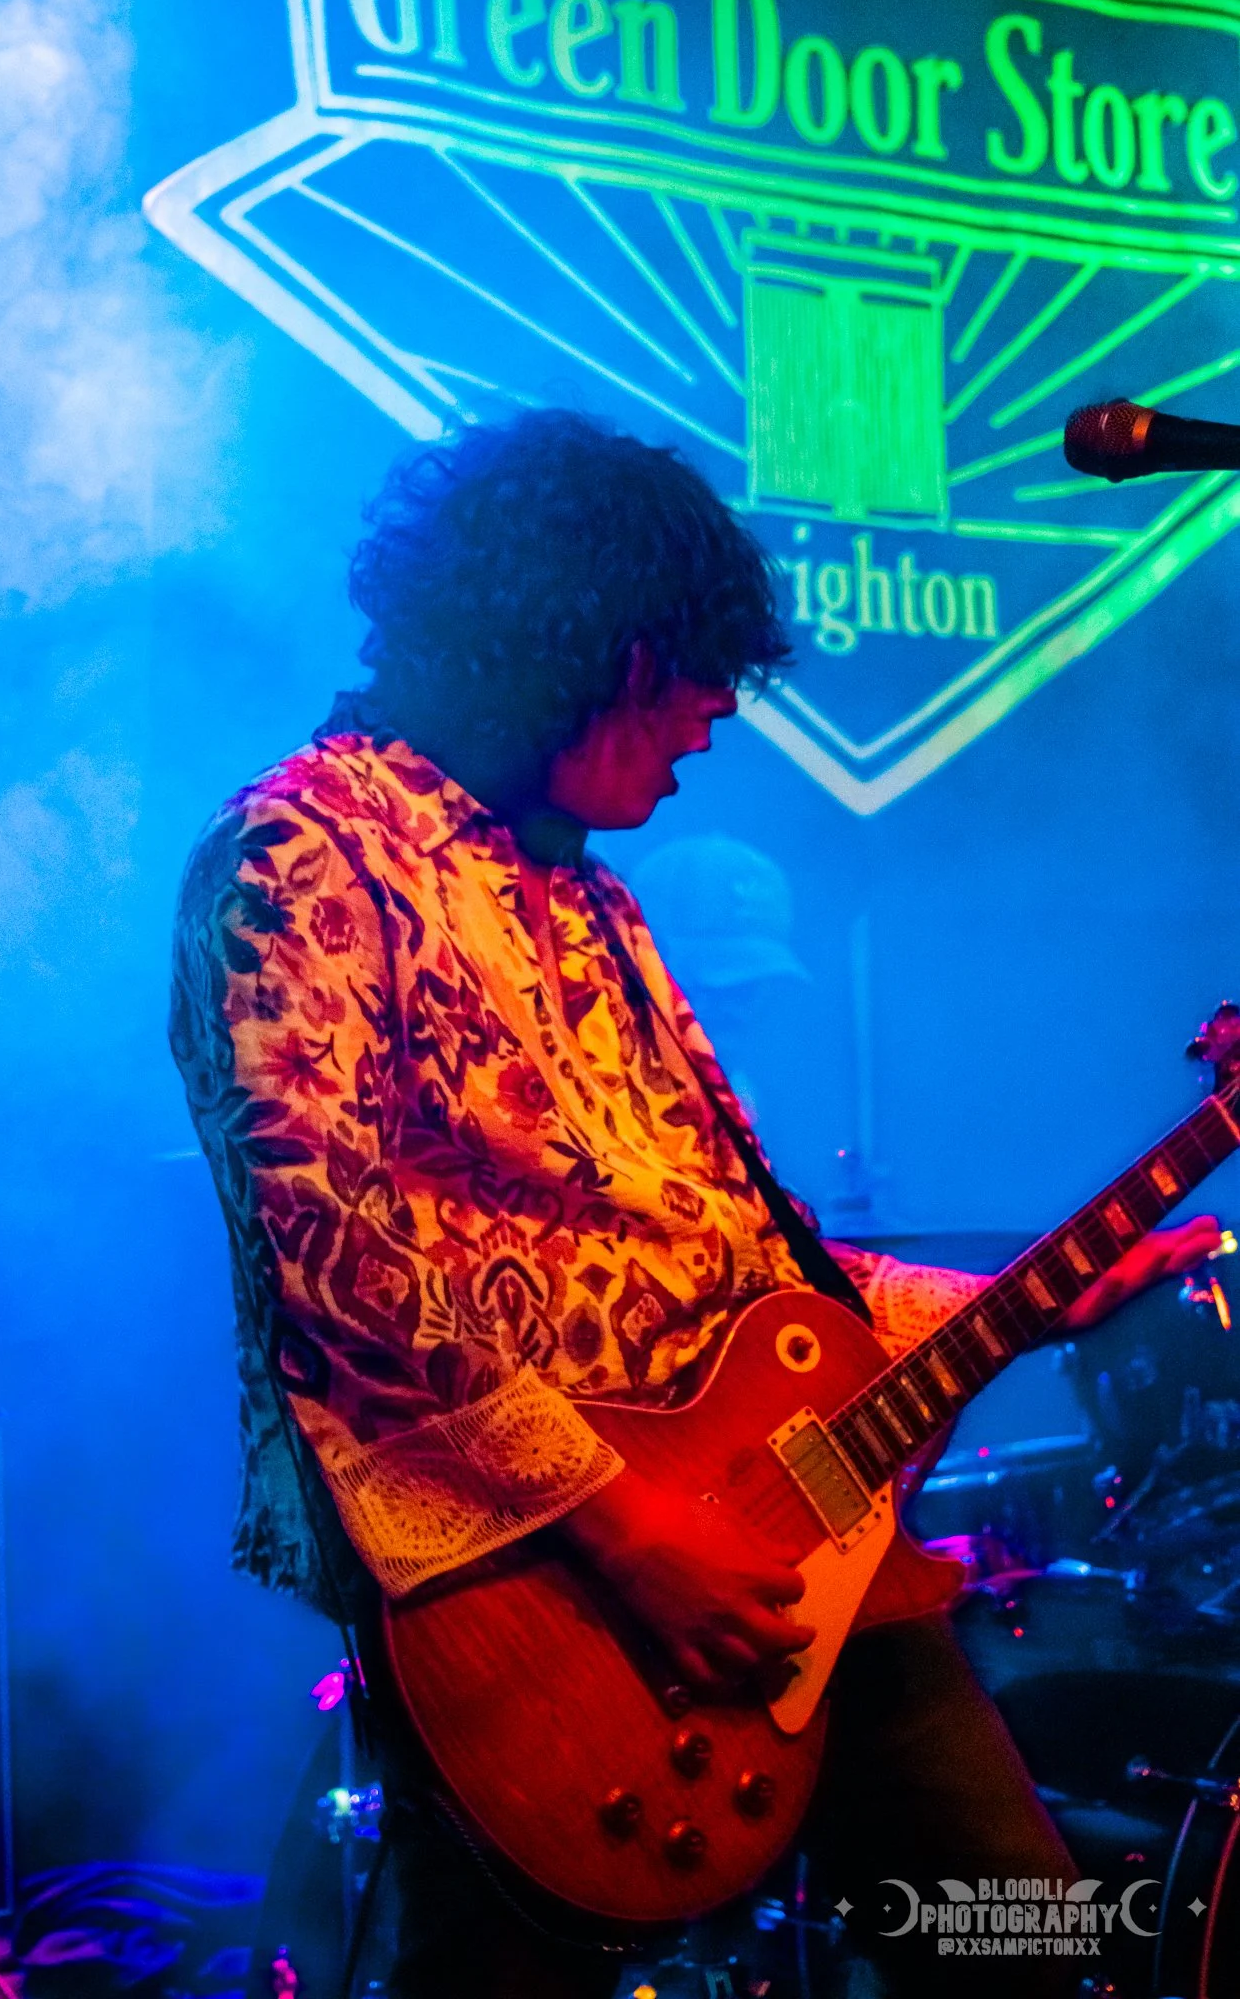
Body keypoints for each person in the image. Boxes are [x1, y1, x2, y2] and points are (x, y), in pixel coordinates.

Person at [169, 412, 1218, 1998]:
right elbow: (334, 1251)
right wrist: (630, 1532)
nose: (717, 718)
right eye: (693, 676)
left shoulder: (584, 891)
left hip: (792, 1537)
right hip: (546, 1600)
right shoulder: (299, 851)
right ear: (597, 647)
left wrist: (1018, 1300)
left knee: (1022, 1944)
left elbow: (732, 1258)